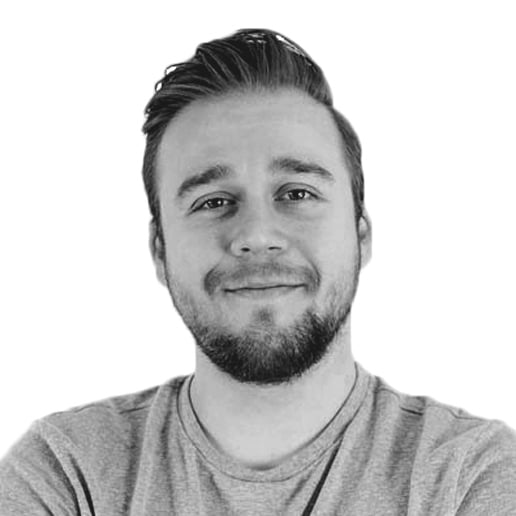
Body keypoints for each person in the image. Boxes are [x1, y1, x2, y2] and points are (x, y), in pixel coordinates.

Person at [1, 28, 515, 515]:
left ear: (361, 235)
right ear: (159, 250)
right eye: (213, 201)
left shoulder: (471, 476)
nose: (256, 234)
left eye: (297, 193)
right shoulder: (65, 475)